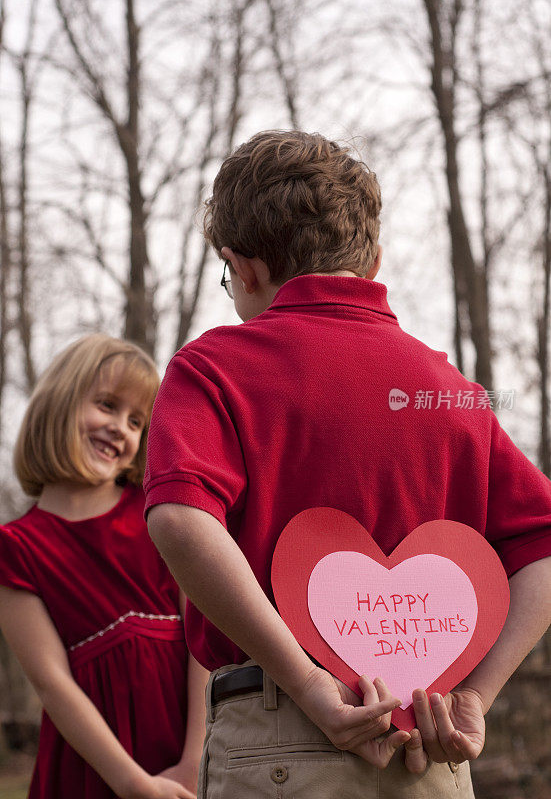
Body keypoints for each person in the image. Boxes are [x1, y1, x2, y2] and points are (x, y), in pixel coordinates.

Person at [144, 131, 551, 798]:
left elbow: (183, 522)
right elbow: (539, 548)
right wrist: (475, 695)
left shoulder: (213, 370)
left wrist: (307, 684)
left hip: (276, 741)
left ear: (241, 268)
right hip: (430, 751)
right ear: (372, 260)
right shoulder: (447, 389)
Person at [0, 334, 209, 799]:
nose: (121, 427)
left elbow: (202, 637)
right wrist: (131, 784)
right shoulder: (14, 547)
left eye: (137, 421)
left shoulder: (158, 511)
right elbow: (51, 683)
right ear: (60, 402)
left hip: (186, 741)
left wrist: (196, 760)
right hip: (95, 765)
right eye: (107, 406)